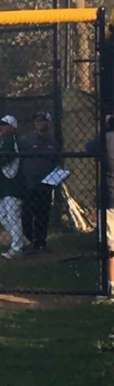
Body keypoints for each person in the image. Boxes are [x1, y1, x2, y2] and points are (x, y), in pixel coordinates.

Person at [20, 111, 61, 252]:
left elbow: (57, 162)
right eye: (37, 120)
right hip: (29, 184)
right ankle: (28, 242)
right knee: (27, 214)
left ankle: (41, 242)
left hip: (45, 186)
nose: (39, 123)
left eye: (42, 120)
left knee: (43, 215)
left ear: (48, 123)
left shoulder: (53, 142)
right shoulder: (27, 140)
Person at [85, 115, 114, 300]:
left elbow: (88, 147)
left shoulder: (106, 138)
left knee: (111, 245)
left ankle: (110, 287)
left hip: (111, 198)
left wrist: (104, 128)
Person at [0, 115, 28, 259]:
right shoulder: (5, 141)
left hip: (13, 186)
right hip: (6, 187)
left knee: (13, 217)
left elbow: (3, 159)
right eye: (0, 124)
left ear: (13, 128)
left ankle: (16, 248)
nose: (1, 127)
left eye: (4, 125)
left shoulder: (11, 141)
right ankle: (21, 239)